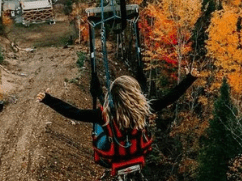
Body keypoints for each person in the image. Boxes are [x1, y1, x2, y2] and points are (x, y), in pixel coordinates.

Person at [36, 68, 198, 168]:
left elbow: (73, 112)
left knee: (100, 123)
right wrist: (190, 78)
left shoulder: (103, 115)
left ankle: (102, 105)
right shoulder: (145, 109)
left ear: (114, 96)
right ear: (134, 94)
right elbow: (171, 97)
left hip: (110, 157)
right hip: (138, 152)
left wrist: (48, 99)